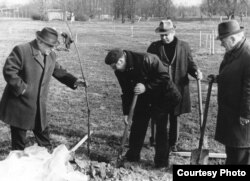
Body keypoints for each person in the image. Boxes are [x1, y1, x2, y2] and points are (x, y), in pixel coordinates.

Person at [0, 27, 86, 151]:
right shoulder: (22, 50)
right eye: (49, 46)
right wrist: (23, 89)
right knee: (19, 146)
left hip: (39, 107)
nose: (52, 49)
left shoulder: (51, 55)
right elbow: (9, 70)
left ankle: (48, 164)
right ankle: (19, 166)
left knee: (45, 143)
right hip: (20, 106)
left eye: (53, 46)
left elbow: (57, 70)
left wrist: (74, 80)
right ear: (39, 41)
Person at [105, 48, 181, 168]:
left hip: (163, 96)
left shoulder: (147, 59)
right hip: (144, 98)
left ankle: (161, 163)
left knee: (160, 129)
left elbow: (164, 77)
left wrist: (146, 87)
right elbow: (126, 92)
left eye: (115, 66)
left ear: (121, 61)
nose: (114, 70)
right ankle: (132, 157)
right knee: (138, 125)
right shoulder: (119, 71)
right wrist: (126, 112)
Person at [147, 19, 203, 152]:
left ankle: (173, 143)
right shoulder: (154, 47)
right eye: (162, 35)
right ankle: (155, 140)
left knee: (175, 116)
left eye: (166, 34)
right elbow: (148, 67)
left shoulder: (184, 46)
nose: (164, 37)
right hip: (159, 89)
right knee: (158, 116)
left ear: (173, 32)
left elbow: (190, 64)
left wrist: (196, 72)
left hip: (178, 89)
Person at [208, 20, 250, 164]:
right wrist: (219, 78)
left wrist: (246, 114)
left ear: (232, 39)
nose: (221, 44)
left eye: (222, 40)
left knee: (241, 152)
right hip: (231, 113)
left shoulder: (248, 55)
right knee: (232, 151)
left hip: (242, 118)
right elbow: (235, 75)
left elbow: (249, 88)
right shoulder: (233, 51)